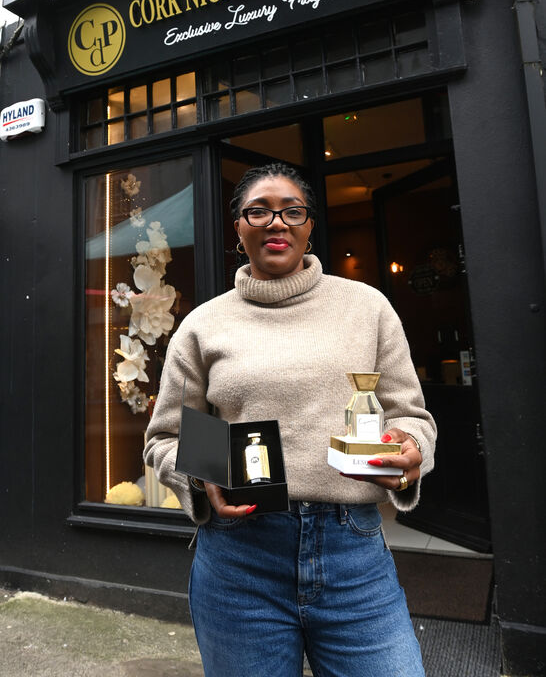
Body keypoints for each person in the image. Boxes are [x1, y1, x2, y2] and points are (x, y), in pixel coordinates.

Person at [144, 162, 436, 677]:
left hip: (354, 555)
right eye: (258, 211)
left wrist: (408, 452)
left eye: (291, 211)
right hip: (239, 561)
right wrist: (205, 471)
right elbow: (166, 438)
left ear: (308, 225)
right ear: (238, 228)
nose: (275, 223)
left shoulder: (367, 307)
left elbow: (412, 416)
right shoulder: (203, 325)